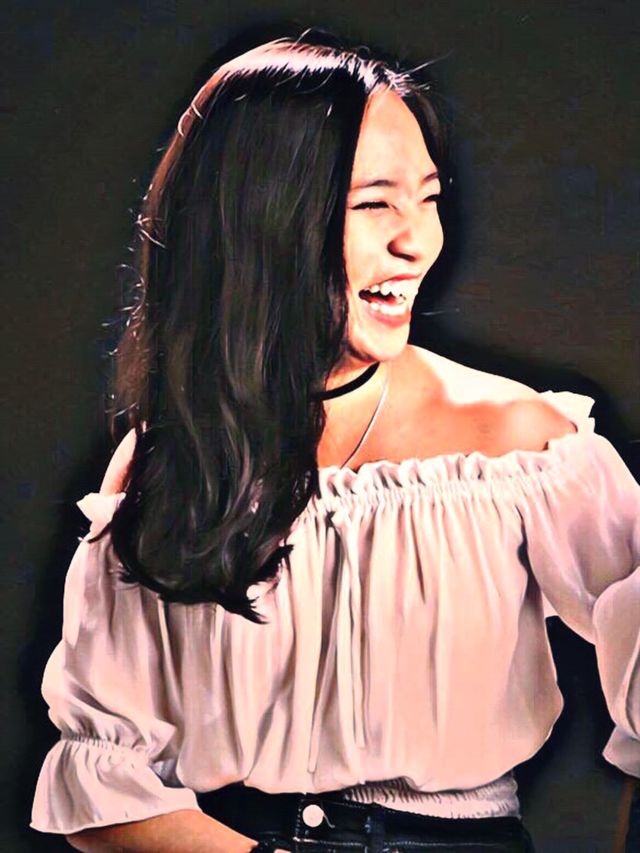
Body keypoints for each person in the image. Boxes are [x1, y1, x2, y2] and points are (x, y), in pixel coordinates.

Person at [30, 32, 640, 853]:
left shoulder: (519, 446)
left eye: (427, 198)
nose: (418, 241)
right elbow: (104, 786)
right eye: (374, 203)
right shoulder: (168, 460)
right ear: (262, 219)